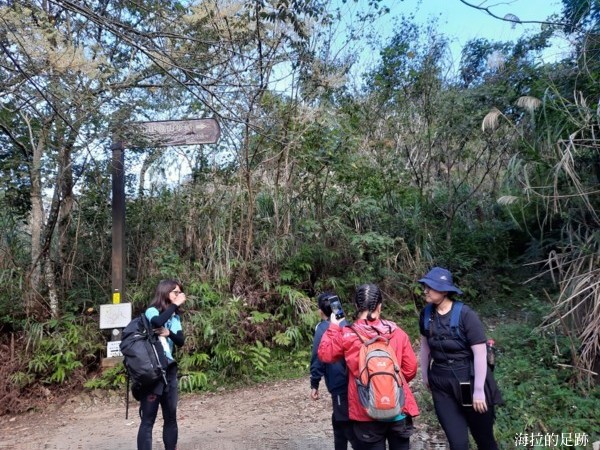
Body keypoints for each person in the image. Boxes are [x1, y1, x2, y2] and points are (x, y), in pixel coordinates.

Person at [318, 284, 419, 450]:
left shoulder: (347, 334)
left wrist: (334, 326)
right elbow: (410, 369)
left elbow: (325, 354)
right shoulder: (397, 332)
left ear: (356, 306)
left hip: (365, 411)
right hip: (398, 408)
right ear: (380, 306)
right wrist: (388, 385)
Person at [418, 267, 502, 450]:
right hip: (441, 383)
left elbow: (480, 352)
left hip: (468, 380)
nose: (425, 291)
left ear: (444, 291)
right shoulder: (426, 314)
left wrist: (478, 391)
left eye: (430, 287)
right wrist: (425, 375)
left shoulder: (466, 315)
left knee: (485, 441)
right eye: (425, 286)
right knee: (458, 444)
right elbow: (425, 347)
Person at [137, 279, 186, 450]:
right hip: (152, 371)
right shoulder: (152, 310)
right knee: (148, 419)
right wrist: (175, 305)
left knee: (170, 416)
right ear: (165, 292)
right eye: (175, 292)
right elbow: (157, 322)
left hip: (169, 369)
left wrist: (169, 332)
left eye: (180, 292)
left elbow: (180, 341)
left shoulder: (175, 317)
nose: (179, 295)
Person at [310, 292, 352, 450]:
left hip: (338, 382)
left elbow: (318, 357)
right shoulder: (347, 324)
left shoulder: (322, 329)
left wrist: (314, 383)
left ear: (320, 311)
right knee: (341, 418)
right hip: (352, 380)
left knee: (342, 422)